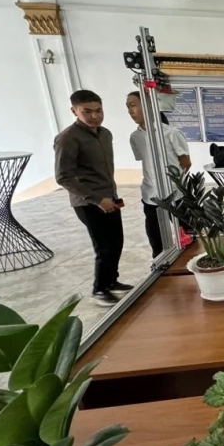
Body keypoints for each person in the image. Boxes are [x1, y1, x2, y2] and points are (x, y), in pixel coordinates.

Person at [54, 90, 132, 307]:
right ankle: (99, 289)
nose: (94, 116)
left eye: (98, 110)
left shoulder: (105, 134)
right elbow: (63, 176)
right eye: (87, 112)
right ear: (74, 111)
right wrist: (97, 199)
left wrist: (109, 197)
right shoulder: (68, 138)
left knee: (116, 242)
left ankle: (112, 281)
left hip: (110, 197)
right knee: (104, 246)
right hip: (88, 202)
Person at [127, 91, 191, 258]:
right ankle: (160, 262)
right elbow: (144, 161)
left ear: (149, 106)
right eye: (128, 107)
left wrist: (175, 182)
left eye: (133, 105)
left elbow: (185, 163)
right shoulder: (135, 137)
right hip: (150, 194)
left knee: (188, 232)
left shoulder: (171, 133)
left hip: (174, 193)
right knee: (155, 238)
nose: (130, 111)